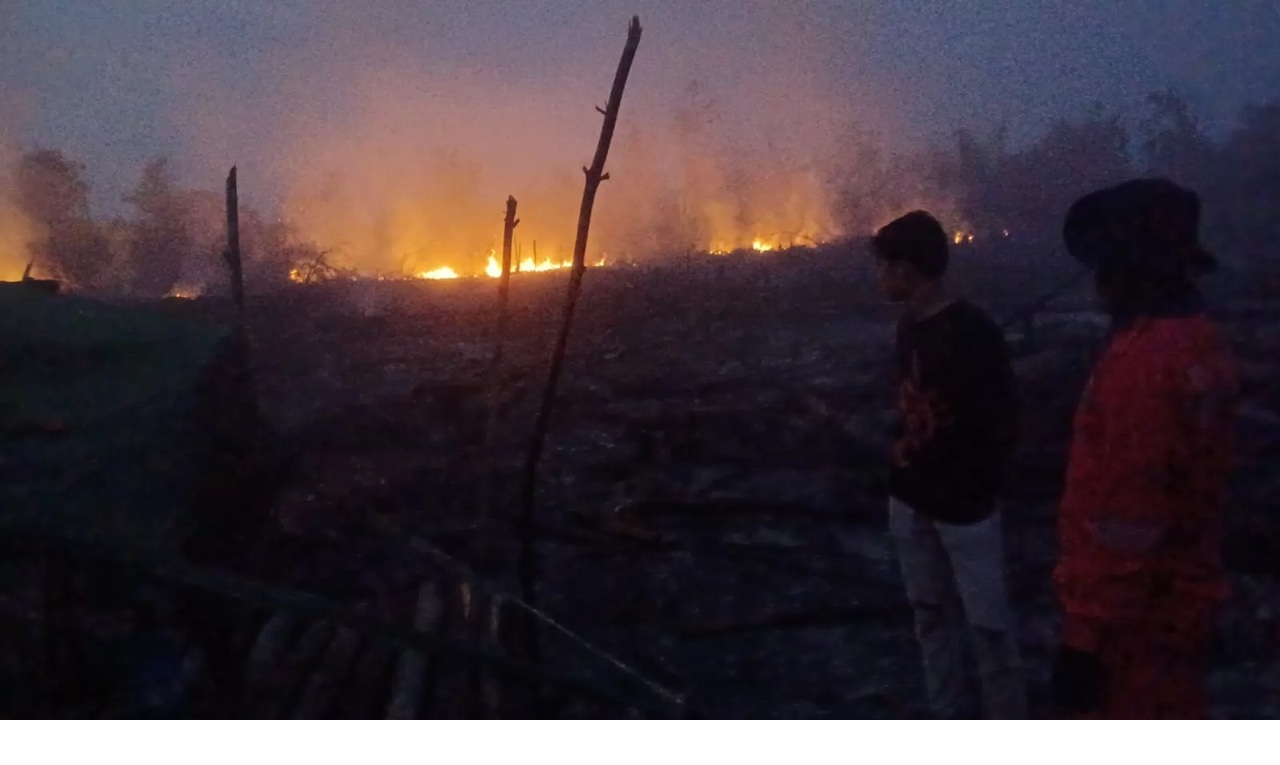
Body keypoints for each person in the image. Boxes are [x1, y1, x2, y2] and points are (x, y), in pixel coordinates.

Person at [1052, 178, 1239, 719]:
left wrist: (1085, 644)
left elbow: (1124, 519)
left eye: (1105, 265)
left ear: (1132, 268)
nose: (1098, 282)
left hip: (1132, 638)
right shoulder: (1201, 343)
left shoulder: (1143, 368)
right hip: (1184, 609)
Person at [869, 210, 1026, 718]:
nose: (880, 277)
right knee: (931, 618)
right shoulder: (908, 329)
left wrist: (976, 481)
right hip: (913, 501)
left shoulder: (972, 333)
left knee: (989, 630)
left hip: (964, 507)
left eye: (886, 266)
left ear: (909, 269)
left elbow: (1002, 419)